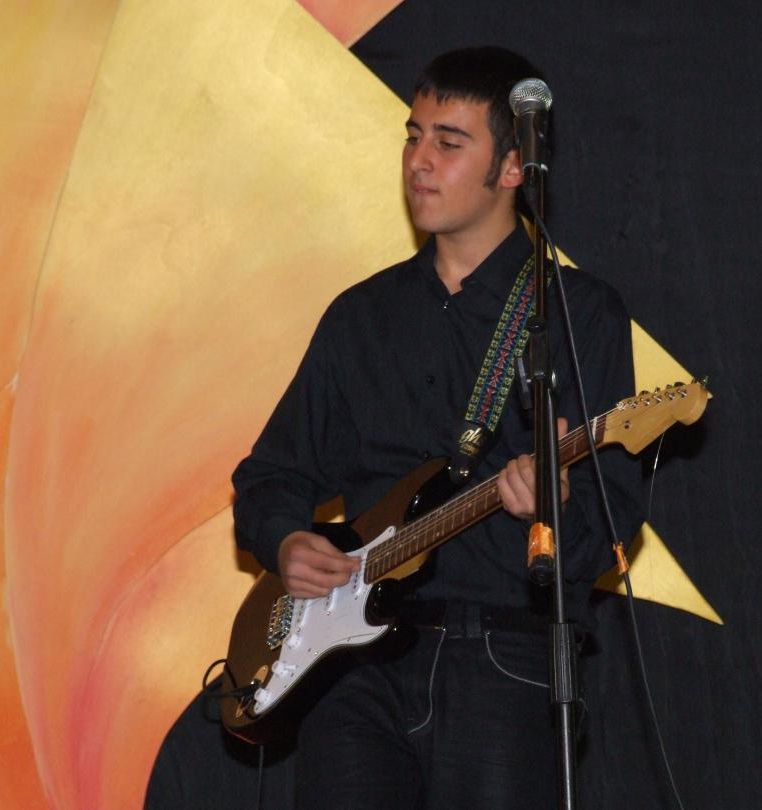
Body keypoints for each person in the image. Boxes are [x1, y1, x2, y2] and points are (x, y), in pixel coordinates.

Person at [232, 46, 640, 810]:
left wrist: (554, 506)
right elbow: (271, 475)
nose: (419, 161)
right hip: (349, 675)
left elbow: (610, 527)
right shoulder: (361, 315)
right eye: (413, 136)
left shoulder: (576, 314)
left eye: (448, 143)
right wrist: (286, 541)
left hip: (505, 659)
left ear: (512, 168)